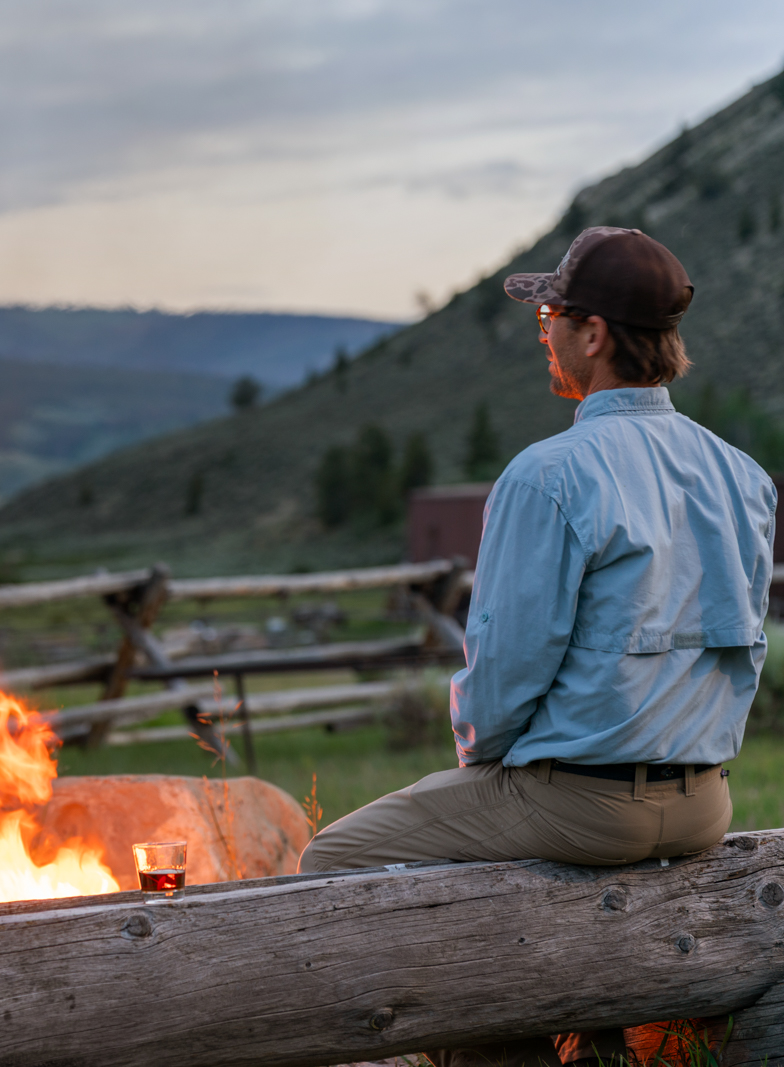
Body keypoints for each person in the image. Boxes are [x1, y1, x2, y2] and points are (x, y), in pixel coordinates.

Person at [298, 227, 776, 1065]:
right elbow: (747, 650)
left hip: (584, 804)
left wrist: (482, 761)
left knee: (332, 855)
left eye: (552, 311)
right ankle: (587, 1037)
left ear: (593, 335)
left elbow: (505, 676)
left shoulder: (549, 473)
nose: (542, 330)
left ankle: (502, 1048)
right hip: (705, 801)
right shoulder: (742, 473)